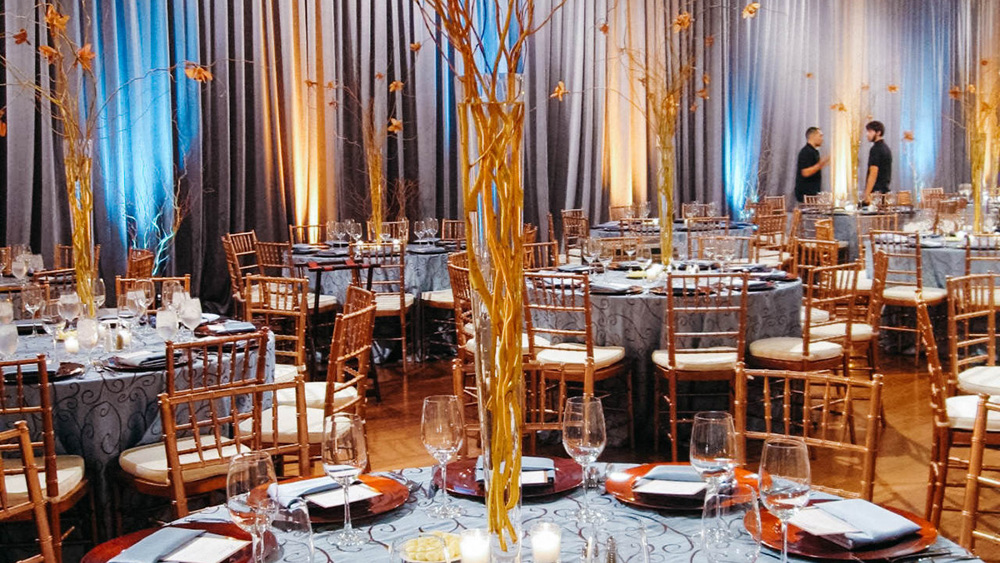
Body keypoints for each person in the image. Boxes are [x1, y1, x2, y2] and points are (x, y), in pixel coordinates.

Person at [794, 127, 830, 203]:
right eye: (820, 136)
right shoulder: (806, 152)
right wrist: (820, 164)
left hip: (813, 195)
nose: (822, 139)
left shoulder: (815, 152)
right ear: (813, 136)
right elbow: (805, 172)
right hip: (805, 196)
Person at [862, 120, 892, 205]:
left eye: (870, 131)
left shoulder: (875, 149)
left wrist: (867, 194)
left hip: (876, 194)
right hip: (884, 191)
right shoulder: (886, 148)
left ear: (878, 132)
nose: (867, 134)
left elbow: (873, 172)